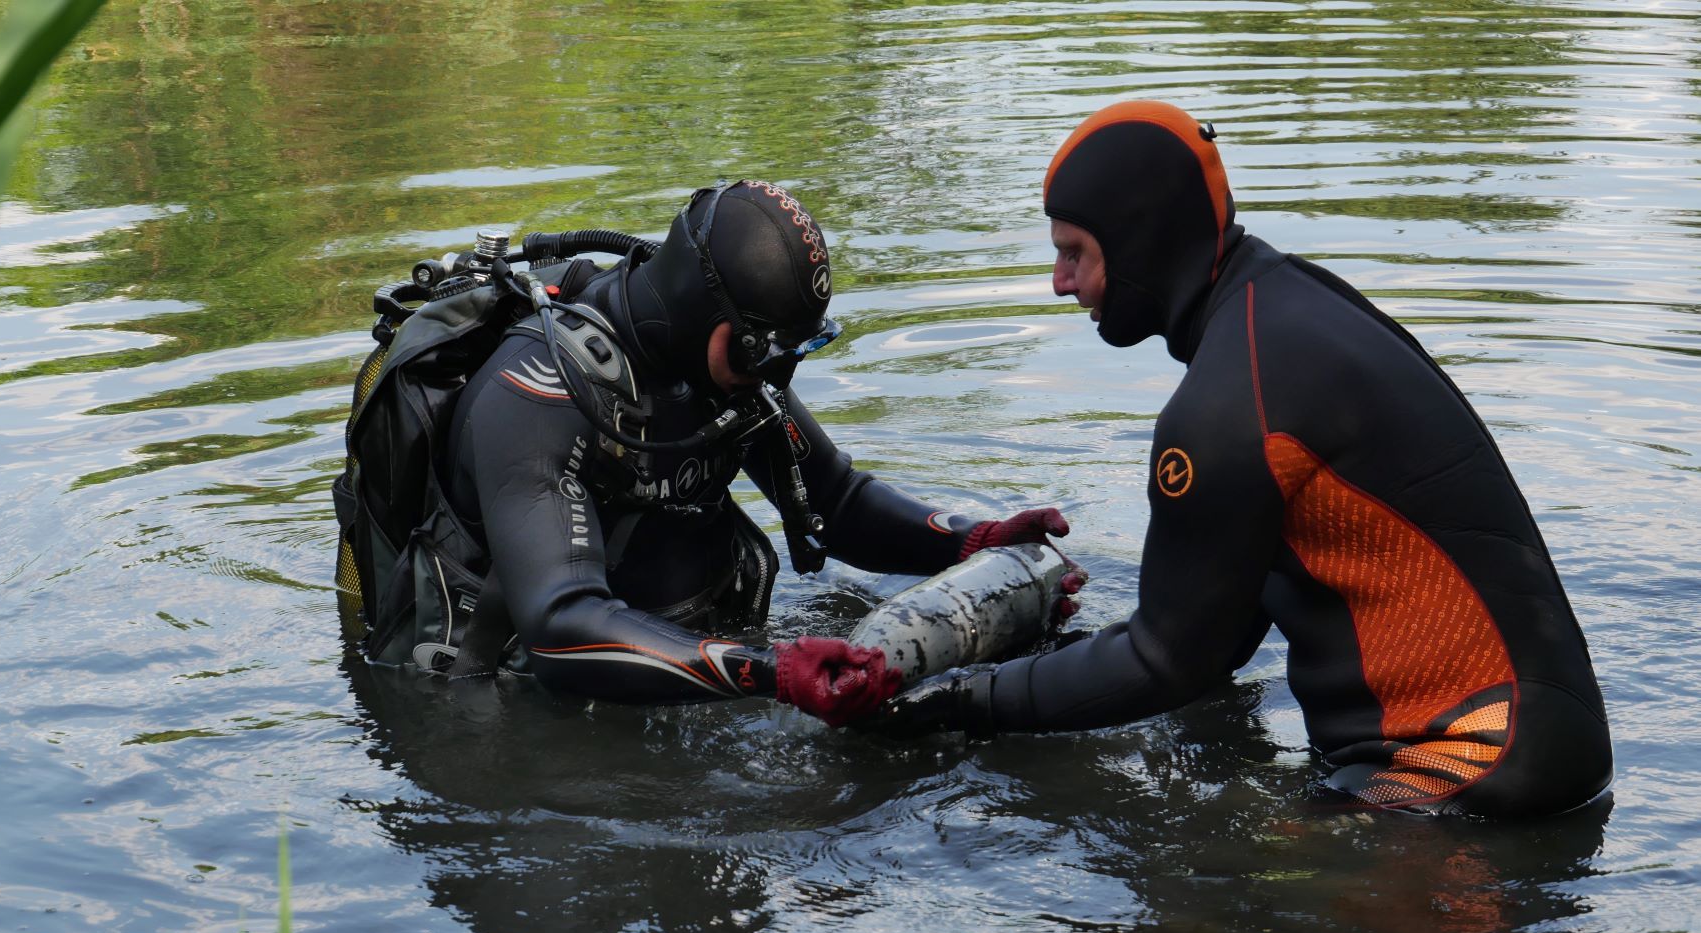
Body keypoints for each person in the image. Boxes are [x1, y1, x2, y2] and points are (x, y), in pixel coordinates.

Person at [876, 102, 1612, 818]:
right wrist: (1046, 662)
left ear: (1141, 244)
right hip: (1534, 747)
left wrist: (962, 700)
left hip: (1470, 766)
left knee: (1210, 904)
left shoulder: (1229, 405)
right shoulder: (1284, 314)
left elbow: (1164, 661)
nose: (1061, 282)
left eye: (1075, 253)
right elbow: (1217, 637)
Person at [438, 179, 1079, 724]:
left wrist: (974, 542)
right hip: (523, 707)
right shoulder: (537, 397)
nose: (778, 378)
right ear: (704, 321)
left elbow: (837, 501)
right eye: (763, 354)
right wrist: (769, 671)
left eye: (794, 354)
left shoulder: (726, 370)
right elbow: (561, 627)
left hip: (692, 667)